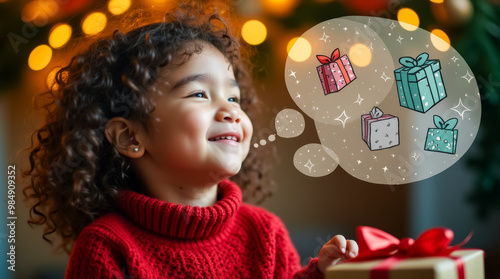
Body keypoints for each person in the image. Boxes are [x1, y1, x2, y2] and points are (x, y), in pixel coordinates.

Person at [23, 2, 358, 278]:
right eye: (199, 93)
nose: (230, 111)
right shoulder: (106, 248)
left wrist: (323, 274)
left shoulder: (265, 232)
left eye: (234, 98)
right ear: (129, 136)